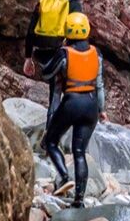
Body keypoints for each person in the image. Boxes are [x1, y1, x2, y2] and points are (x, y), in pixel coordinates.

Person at [38, 12, 107, 208]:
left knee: (50, 141)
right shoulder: (97, 53)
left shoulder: (64, 53)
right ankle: (79, 200)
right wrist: (102, 109)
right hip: (91, 105)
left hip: (72, 103)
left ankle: (64, 176)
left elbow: (47, 73)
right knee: (79, 152)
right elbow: (100, 85)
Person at [24, 0, 83, 127]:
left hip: (41, 56)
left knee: (55, 93)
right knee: (71, 93)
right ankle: (58, 136)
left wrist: (28, 58)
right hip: (62, 56)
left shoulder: (44, 0)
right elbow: (77, 34)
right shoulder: (74, 4)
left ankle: (50, 135)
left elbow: (30, 31)